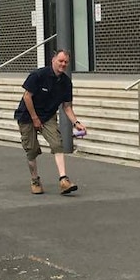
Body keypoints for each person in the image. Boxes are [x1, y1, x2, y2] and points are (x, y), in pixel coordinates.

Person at [14, 49, 87, 195]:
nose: (63, 64)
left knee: (57, 144)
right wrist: (34, 118)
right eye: (60, 61)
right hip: (28, 115)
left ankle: (64, 180)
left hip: (48, 116)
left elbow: (67, 107)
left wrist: (76, 122)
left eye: (66, 62)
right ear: (53, 60)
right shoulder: (38, 75)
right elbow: (27, 97)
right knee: (32, 150)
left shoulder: (66, 82)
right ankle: (35, 180)